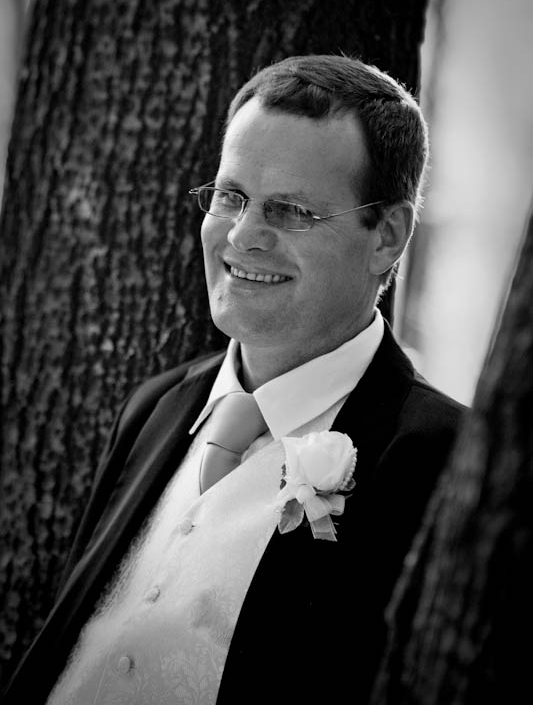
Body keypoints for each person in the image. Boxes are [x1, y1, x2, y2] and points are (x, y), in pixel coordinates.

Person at [3, 54, 465, 704]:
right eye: (231, 196)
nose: (243, 236)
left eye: (291, 210)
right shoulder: (156, 407)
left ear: (386, 236)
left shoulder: (441, 461)